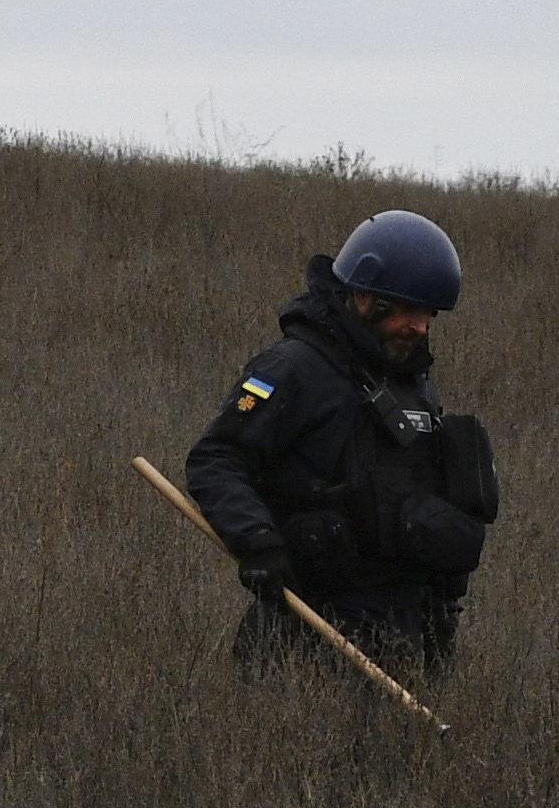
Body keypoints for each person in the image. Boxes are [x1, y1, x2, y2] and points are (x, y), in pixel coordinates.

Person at [181, 209, 502, 677]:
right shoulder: (294, 368)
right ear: (366, 296)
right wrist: (256, 541)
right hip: (306, 627)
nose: (420, 326)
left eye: (428, 314)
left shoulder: (414, 382)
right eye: (409, 309)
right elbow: (215, 459)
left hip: (401, 632)